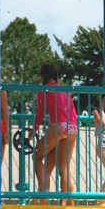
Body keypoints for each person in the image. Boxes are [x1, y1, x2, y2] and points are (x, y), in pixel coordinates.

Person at [34, 64, 76, 196]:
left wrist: (32, 131)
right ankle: (65, 204)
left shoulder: (44, 90)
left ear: (42, 76)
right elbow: (73, 111)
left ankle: (42, 193)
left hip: (57, 126)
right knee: (64, 168)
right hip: (72, 127)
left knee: (37, 156)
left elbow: (40, 113)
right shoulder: (64, 89)